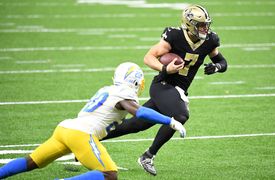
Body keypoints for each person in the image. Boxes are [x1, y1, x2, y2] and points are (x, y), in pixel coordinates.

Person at [0, 62, 186, 180]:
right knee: (109, 174)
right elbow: (140, 112)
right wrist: (169, 121)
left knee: (31, 161)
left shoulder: (108, 88)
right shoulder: (124, 93)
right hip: (81, 134)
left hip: (65, 128)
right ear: (136, 82)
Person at [102, 4, 228, 176]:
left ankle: (93, 138)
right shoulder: (175, 35)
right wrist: (164, 69)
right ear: (189, 24)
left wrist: (216, 67)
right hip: (162, 85)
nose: (205, 28)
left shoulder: (210, 40)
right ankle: (148, 155)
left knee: (136, 124)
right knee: (181, 115)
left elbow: (223, 62)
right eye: (201, 25)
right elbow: (148, 57)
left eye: (206, 24)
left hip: (177, 90)